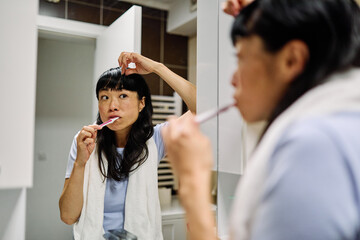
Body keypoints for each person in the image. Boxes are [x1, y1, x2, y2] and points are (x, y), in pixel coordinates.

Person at [162, 0, 360, 239]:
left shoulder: (312, 146)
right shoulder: (342, 123)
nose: (233, 79)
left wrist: (192, 182)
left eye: (241, 58)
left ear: (291, 60)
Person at [59, 52, 196, 240]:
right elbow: (67, 216)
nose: (112, 106)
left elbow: (201, 107)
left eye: (123, 95)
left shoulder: (155, 140)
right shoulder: (85, 142)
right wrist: (80, 163)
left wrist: (157, 67)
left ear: (141, 103)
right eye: (104, 97)